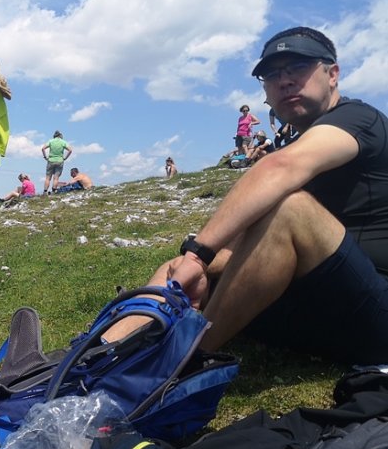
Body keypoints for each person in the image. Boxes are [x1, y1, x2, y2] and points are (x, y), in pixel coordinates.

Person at [101, 26, 388, 365]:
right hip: (316, 308)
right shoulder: (299, 144)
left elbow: (280, 168)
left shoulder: (359, 120)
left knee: (288, 210)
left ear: (333, 74)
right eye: (272, 74)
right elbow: (250, 239)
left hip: (374, 316)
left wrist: (198, 255)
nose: (284, 80)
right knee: (177, 269)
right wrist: (198, 265)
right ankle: (95, 360)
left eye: (298, 67)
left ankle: (175, 368)